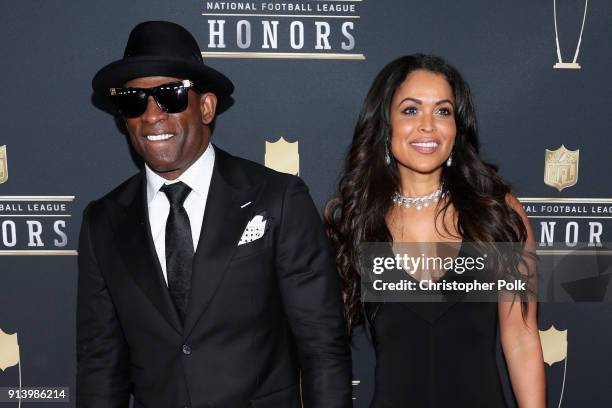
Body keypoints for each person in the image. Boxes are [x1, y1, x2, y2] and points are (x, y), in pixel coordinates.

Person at [77, 20, 352, 408]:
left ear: (205, 106)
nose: (152, 115)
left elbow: (322, 345)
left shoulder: (277, 197)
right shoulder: (103, 222)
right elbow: (100, 364)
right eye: (132, 100)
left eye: (170, 95)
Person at [325, 54, 546, 407]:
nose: (428, 126)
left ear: (457, 129)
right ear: (385, 124)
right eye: (410, 110)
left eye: (443, 111)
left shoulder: (496, 212)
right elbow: (323, 345)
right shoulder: (355, 218)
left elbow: (521, 336)